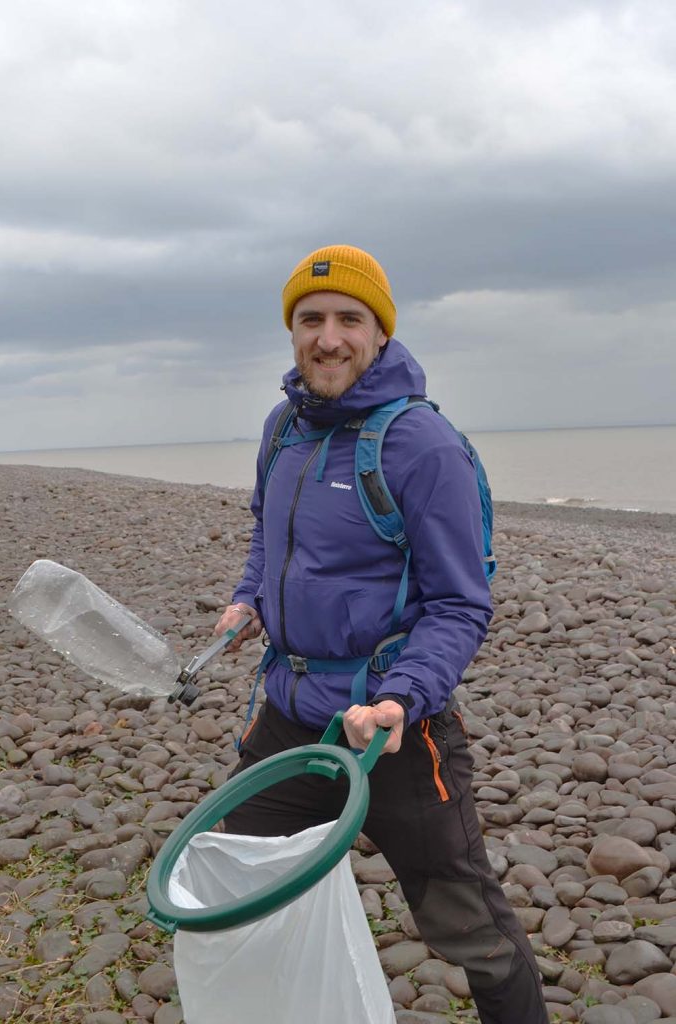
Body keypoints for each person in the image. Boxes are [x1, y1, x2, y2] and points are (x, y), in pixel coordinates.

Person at [214, 245, 547, 1024]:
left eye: (348, 320)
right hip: (289, 718)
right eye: (310, 320)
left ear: (380, 333)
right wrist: (246, 599)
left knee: (473, 932)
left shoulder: (422, 446)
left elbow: (461, 604)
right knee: (235, 877)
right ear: (293, 332)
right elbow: (269, 535)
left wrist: (400, 700)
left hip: (393, 734)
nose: (328, 338)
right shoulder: (284, 427)